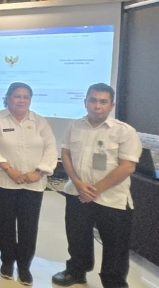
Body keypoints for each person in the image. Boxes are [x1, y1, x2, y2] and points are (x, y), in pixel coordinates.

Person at [52, 83, 142, 288]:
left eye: (103, 101)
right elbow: (66, 154)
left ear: (112, 105)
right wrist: (77, 183)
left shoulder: (124, 131)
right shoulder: (75, 126)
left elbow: (127, 166)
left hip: (112, 198)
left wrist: (95, 190)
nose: (97, 106)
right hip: (77, 192)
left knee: (115, 245)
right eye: (93, 100)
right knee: (77, 236)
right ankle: (76, 271)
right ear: (85, 102)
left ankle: (113, 282)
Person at [0, 82, 57, 286]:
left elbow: (51, 149)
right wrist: (9, 169)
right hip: (5, 181)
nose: (21, 100)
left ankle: (24, 266)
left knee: (28, 226)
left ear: (30, 100)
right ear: (8, 98)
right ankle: (7, 262)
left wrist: (39, 172)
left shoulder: (40, 122)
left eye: (26, 97)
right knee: (5, 224)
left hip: (33, 183)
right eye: (17, 96)